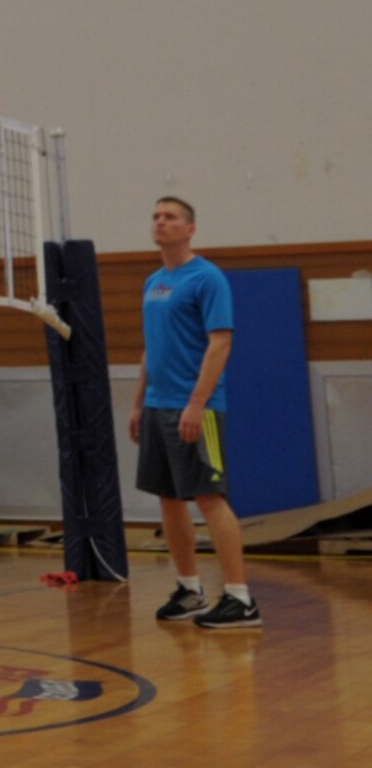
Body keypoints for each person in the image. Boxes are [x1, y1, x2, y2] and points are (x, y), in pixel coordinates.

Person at [132, 197, 255, 630]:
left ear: (190, 229)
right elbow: (151, 346)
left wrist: (197, 402)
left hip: (194, 406)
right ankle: (190, 589)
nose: (160, 223)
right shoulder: (153, 282)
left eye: (170, 218)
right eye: (156, 217)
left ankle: (240, 598)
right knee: (169, 498)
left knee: (209, 497)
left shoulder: (207, 278)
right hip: (157, 406)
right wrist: (137, 401)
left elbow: (220, 342)